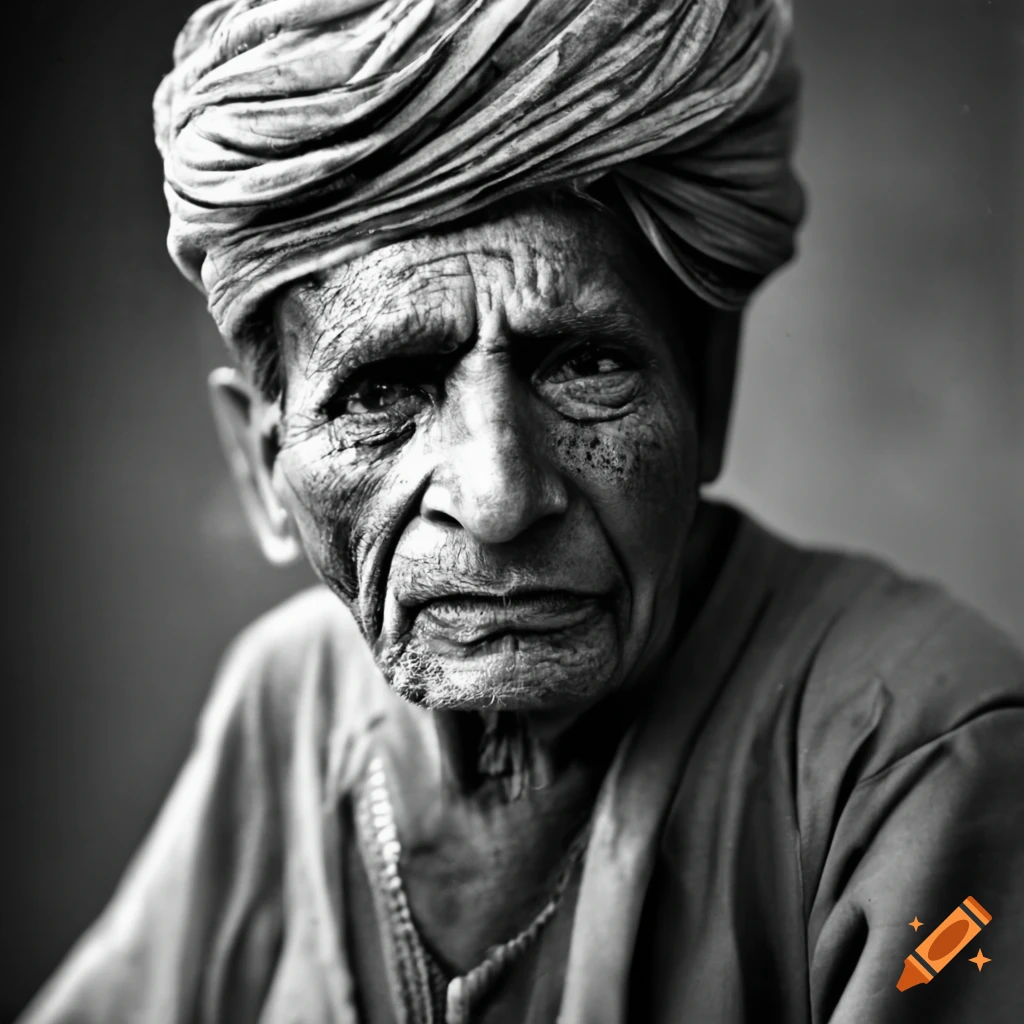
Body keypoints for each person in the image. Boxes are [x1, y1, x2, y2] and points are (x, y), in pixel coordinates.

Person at [20, 1, 1024, 1022]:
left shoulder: (922, 757)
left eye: (584, 365)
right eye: (383, 392)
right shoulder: (287, 701)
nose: (499, 499)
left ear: (705, 394)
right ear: (261, 463)